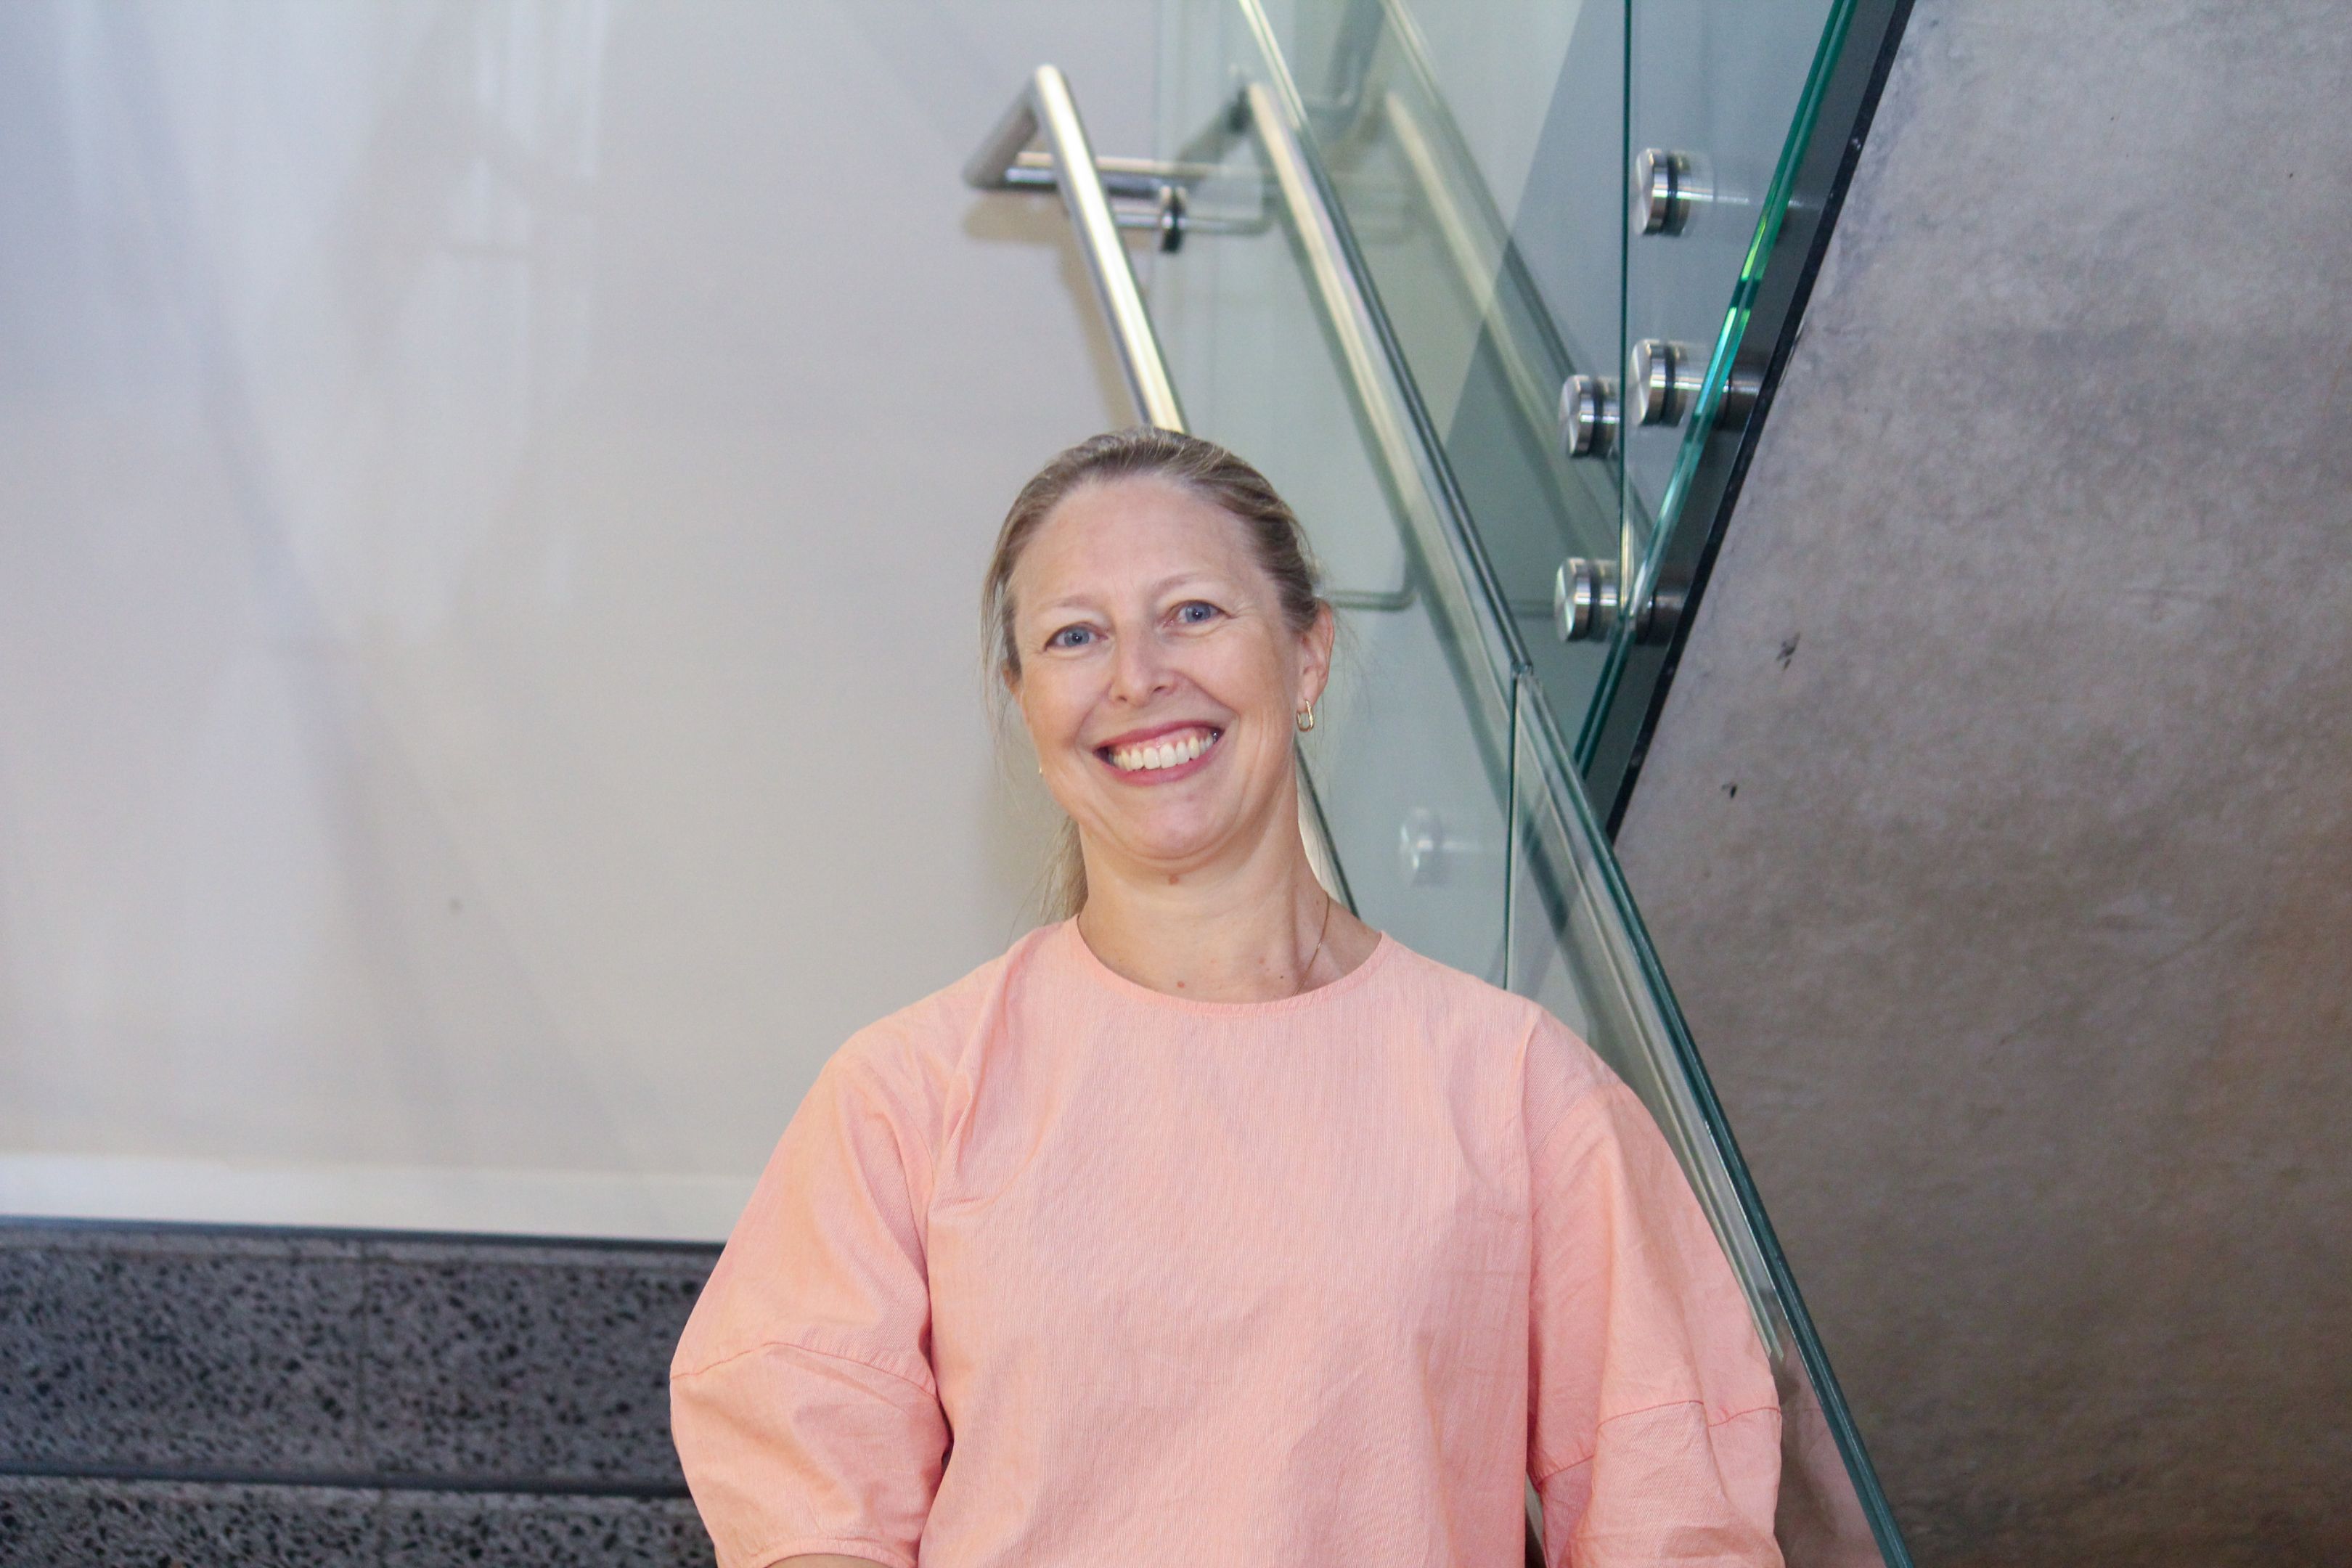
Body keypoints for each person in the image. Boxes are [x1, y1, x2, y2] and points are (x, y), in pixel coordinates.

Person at [669, 428, 1784, 1567]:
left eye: (1194, 612)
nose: (1138, 677)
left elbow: (1674, 1509)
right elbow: (811, 1510)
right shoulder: (906, 1096)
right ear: (1025, 702)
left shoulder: (1523, 1092)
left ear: (1307, 658)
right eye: (1074, 635)